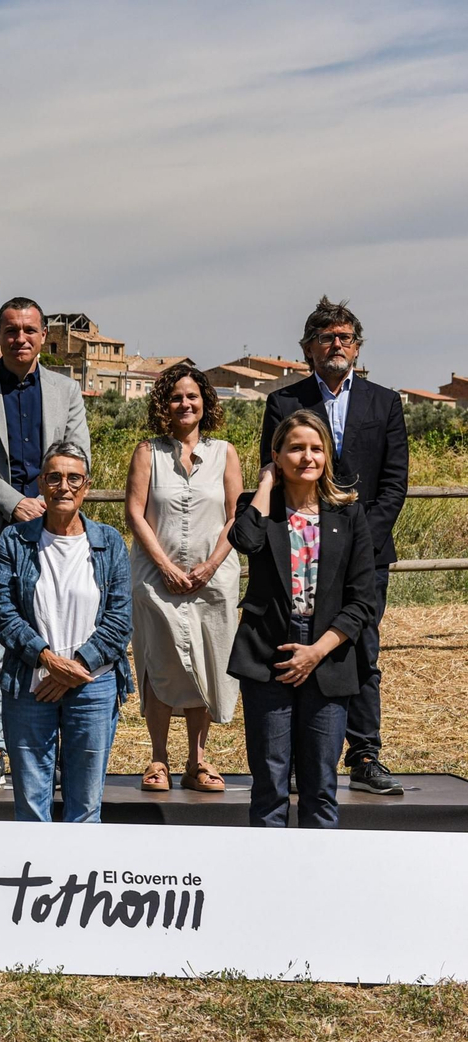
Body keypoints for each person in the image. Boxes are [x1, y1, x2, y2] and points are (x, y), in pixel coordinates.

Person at [260, 297, 408, 796]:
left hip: (363, 556)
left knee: (360, 651)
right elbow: (275, 476)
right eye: (326, 338)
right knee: (298, 648)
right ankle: (305, 760)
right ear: (308, 348)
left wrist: (356, 544)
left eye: (344, 337)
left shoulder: (383, 402)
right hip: (299, 553)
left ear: (357, 346)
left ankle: (365, 755)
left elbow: (393, 483)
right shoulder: (283, 403)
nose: (336, 344)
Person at [0, 297, 90, 790]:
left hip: (57, 534)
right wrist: (16, 504)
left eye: (30, 329)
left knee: (55, 639)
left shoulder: (66, 390)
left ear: (42, 335)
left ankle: (49, 753)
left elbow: (78, 455)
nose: (21, 338)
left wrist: (49, 506)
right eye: (11, 330)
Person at [230, 411, 377, 829]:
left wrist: (316, 651)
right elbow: (245, 540)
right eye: (295, 448)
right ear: (277, 454)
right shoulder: (257, 508)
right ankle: (270, 885)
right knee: (270, 785)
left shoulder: (349, 515)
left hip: (327, 655)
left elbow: (362, 601)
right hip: (268, 655)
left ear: (327, 455)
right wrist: (264, 485)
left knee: (320, 786)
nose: (307, 457)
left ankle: (318, 887)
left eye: (316, 448)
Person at [0, 441, 132, 823]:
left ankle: (78, 880)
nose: (63, 486)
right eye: (54, 477)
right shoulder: (15, 540)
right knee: (31, 806)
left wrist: (74, 670)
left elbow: (120, 622)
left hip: (93, 684)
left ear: (86, 486)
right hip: (31, 681)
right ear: (41, 483)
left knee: (85, 808)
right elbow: (4, 615)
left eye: (74, 478)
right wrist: (49, 661)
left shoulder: (110, 543)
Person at [125, 364, 242, 793]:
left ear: (205, 402)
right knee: (159, 662)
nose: (185, 404)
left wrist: (210, 565)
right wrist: (165, 566)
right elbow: (135, 514)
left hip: (212, 579)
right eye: (176, 397)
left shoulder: (224, 452)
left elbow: (235, 516)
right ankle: (158, 758)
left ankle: (197, 760)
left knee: (206, 666)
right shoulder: (147, 452)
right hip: (158, 579)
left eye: (192, 396)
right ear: (164, 404)